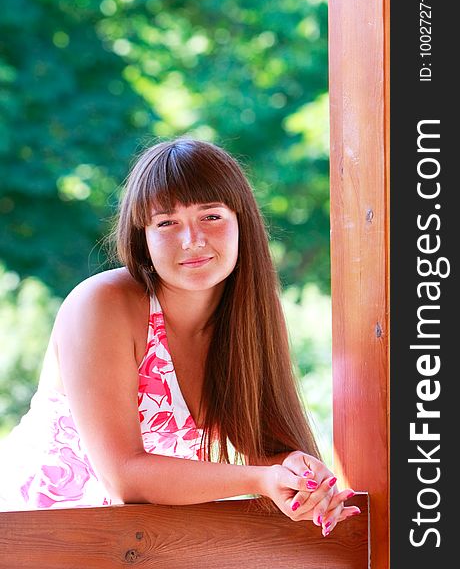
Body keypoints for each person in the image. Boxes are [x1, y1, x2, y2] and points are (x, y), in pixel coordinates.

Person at [0, 138, 359, 536]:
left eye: (211, 216)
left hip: (136, 547)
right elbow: (126, 478)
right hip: (28, 536)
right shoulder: (103, 304)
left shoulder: (246, 319)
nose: (192, 240)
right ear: (143, 237)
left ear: (243, 221)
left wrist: (296, 471)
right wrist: (259, 480)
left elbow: (264, 443)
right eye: (167, 223)